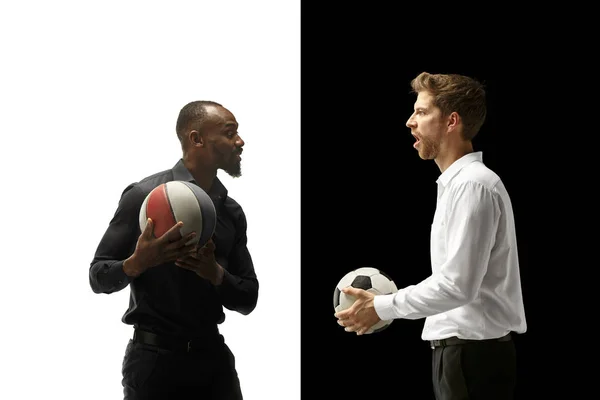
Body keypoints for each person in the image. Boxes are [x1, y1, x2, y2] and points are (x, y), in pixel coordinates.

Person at [334, 72, 527, 400]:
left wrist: (383, 306)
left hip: (471, 359)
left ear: (452, 121)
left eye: (422, 112)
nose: (410, 122)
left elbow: (458, 286)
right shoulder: (459, 185)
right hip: (462, 356)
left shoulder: (472, 185)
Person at [89, 100, 259, 399]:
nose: (240, 141)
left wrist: (216, 274)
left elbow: (248, 298)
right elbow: (98, 277)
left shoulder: (231, 211)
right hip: (154, 363)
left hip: (214, 363)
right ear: (197, 139)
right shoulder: (144, 196)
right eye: (230, 132)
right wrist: (137, 263)